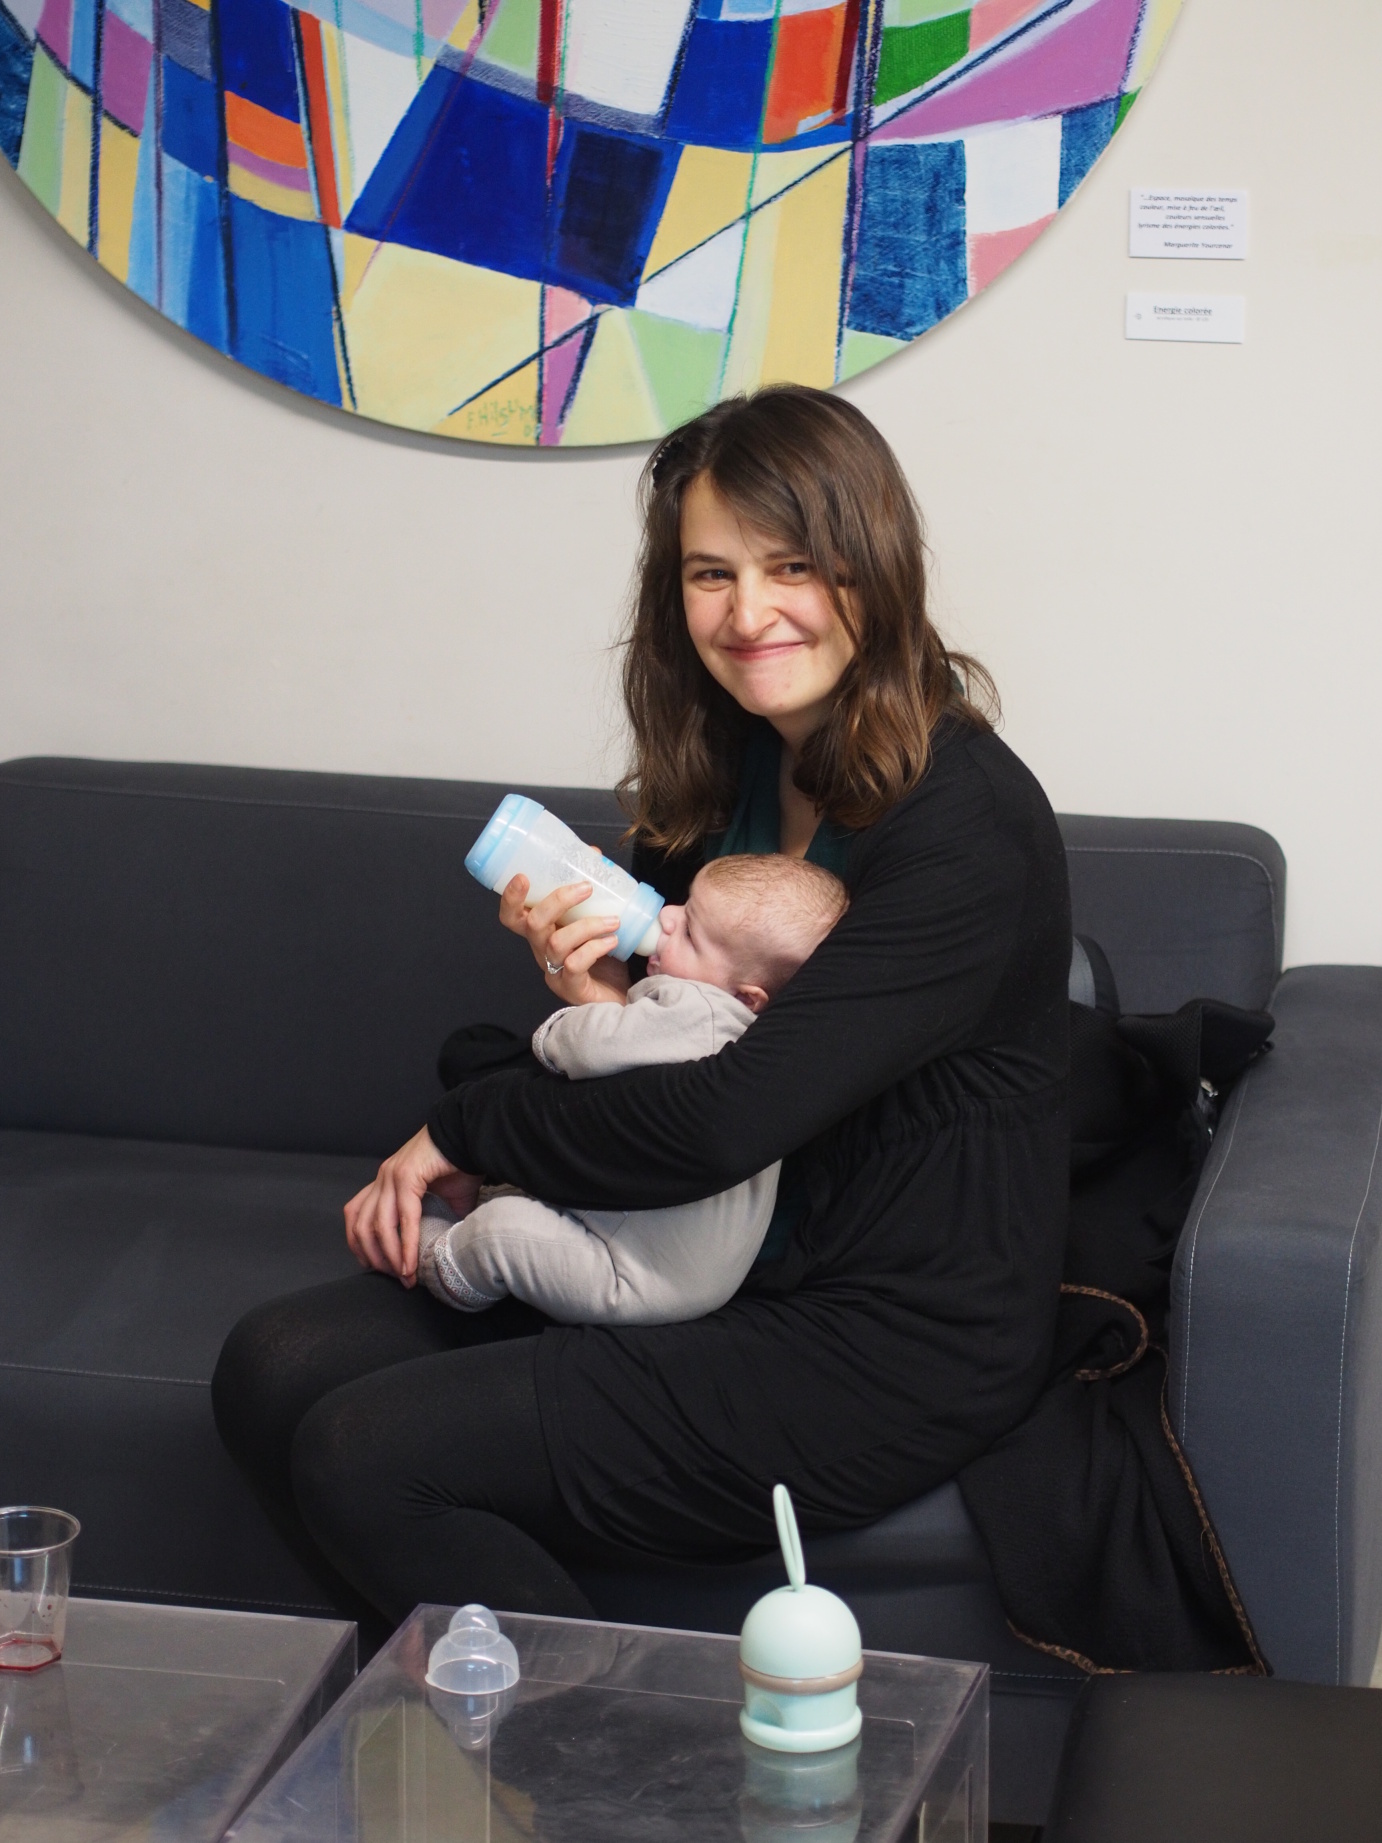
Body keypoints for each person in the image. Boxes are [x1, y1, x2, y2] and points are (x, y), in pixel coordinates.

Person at [211, 384, 1071, 1633]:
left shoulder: (965, 830)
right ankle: (460, 1707)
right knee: (271, 1367)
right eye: (710, 574)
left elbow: (723, 1119)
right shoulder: (742, 763)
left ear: (871, 568)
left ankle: (602, 1740)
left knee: (367, 1452)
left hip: (870, 1338)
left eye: (791, 566)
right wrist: (599, 996)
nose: (747, 613)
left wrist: (467, 1129)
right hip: (689, 1253)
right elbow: (681, 1044)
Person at [417, 853, 849, 1325]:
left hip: (632, 1272)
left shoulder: (703, 1010)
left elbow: (589, 1048)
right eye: (684, 905)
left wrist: (553, 1035)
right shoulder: (762, 1051)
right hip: (672, 1265)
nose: (668, 917)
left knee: (501, 1233)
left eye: (690, 933)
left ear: (746, 995)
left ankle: (441, 1263)